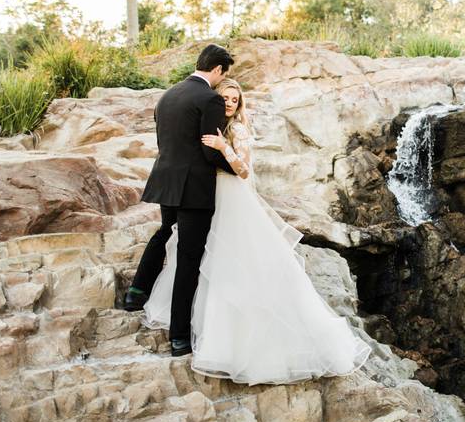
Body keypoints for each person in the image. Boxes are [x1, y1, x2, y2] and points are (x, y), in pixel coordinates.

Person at [139, 77, 372, 384]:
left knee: (232, 260)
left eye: (235, 100)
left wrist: (224, 147)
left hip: (230, 198)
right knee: (202, 258)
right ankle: (201, 325)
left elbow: (244, 169)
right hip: (203, 196)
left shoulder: (235, 129)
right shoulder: (205, 122)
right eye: (225, 97)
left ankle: (236, 339)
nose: (229, 103)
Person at [124, 43, 237, 358]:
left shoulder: (167, 95)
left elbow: (164, 142)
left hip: (166, 180)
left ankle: (135, 294)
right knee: (188, 260)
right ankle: (179, 338)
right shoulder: (209, 98)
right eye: (221, 76)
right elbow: (208, 150)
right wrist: (237, 169)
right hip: (194, 189)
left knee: (163, 232)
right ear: (217, 70)